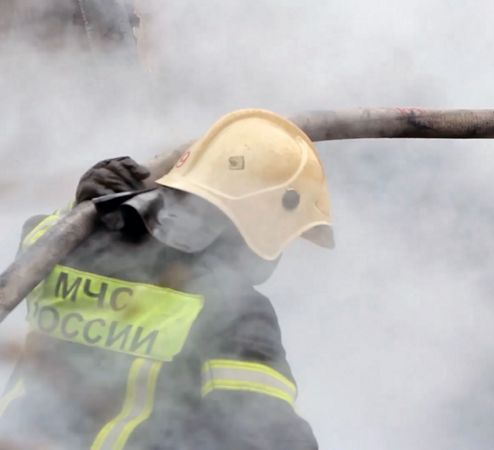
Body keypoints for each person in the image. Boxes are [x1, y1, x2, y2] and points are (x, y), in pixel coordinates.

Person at [0, 108, 332, 449]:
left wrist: (83, 211)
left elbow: (35, 248)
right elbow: (266, 434)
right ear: (258, 221)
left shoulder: (72, 247)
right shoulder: (235, 310)